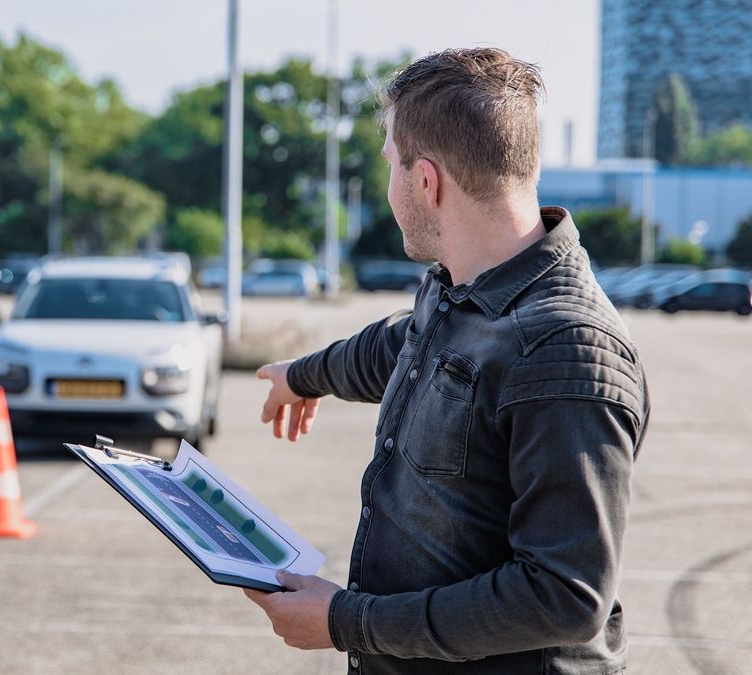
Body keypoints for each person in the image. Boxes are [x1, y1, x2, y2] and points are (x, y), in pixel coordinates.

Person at [246, 48, 649, 674]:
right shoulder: (461, 289)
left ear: (426, 181)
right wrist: (303, 375)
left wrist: (344, 621)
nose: (389, 188)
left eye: (390, 167)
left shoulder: (567, 352)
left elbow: (565, 597)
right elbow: (402, 346)